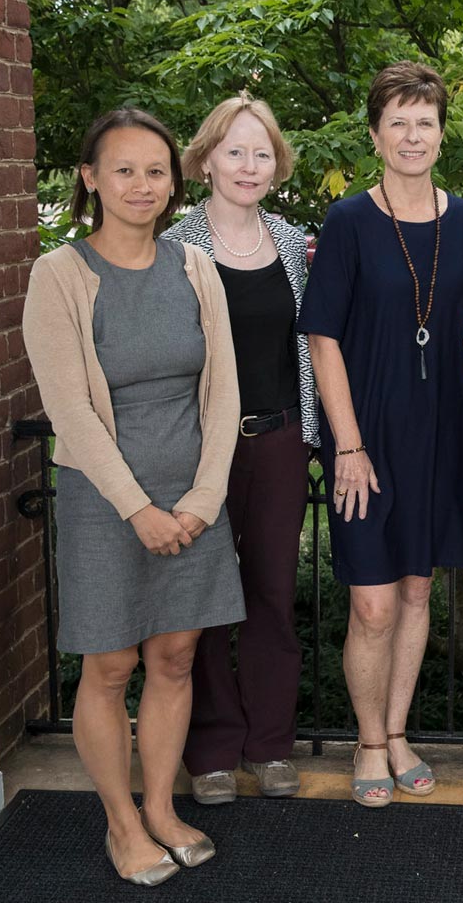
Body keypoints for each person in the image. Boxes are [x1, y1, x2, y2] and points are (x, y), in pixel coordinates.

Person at [23, 108, 242, 884]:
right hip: (103, 501)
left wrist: (200, 500)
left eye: (155, 170)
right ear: (90, 179)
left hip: (191, 501)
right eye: (123, 170)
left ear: (174, 181)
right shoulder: (60, 275)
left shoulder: (195, 268)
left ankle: (159, 806)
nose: (142, 185)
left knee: (176, 657)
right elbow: (70, 410)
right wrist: (139, 509)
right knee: (111, 665)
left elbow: (223, 396)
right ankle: (121, 822)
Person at [297, 62, 463, 807]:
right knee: (371, 602)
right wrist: (346, 445)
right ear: (375, 134)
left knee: (415, 591)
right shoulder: (348, 221)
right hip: (365, 434)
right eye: (398, 122)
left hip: (441, 431)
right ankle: (368, 741)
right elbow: (322, 339)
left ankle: (400, 731)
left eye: (426, 122)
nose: (413, 136)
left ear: (442, 135)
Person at [160, 92, 319, 804]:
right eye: (234, 150)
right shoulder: (174, 247)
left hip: (278, 441)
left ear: (276, 163)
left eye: (261, 152)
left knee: (272, 598)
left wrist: (312, 435)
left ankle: (270, 745)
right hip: (199, 454)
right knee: (202, 602)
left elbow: (311, 345)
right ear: (206, 159)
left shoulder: (292, 244)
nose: (248, 164)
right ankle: (214, 750)